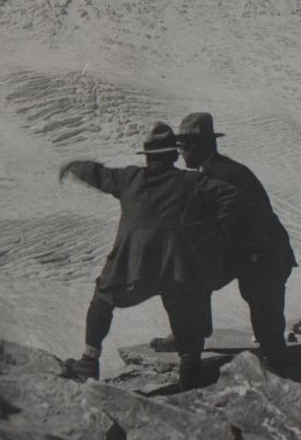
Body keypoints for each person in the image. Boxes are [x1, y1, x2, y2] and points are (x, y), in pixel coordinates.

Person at [60, 122, 230, 391]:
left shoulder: (129, 178)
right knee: (188, 301)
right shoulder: (191, 182)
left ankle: (89, 362)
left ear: (147, 157)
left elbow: (97, 174)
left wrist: (73, 165)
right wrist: (210, 232)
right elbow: (229, 195)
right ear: (174, 155)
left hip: (132, 265)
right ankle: (190, 365)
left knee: (103, 299)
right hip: (176, 265)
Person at [175, 112, 298, 374]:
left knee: (266, 322)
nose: (180, 155)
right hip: (253, 254)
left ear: (195, 147)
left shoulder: (220, 175)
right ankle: (191, 336)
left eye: (182, 148)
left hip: (263, 255)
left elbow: (245, 223)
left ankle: (282, 384)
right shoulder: (220, 169)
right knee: (199, 281)